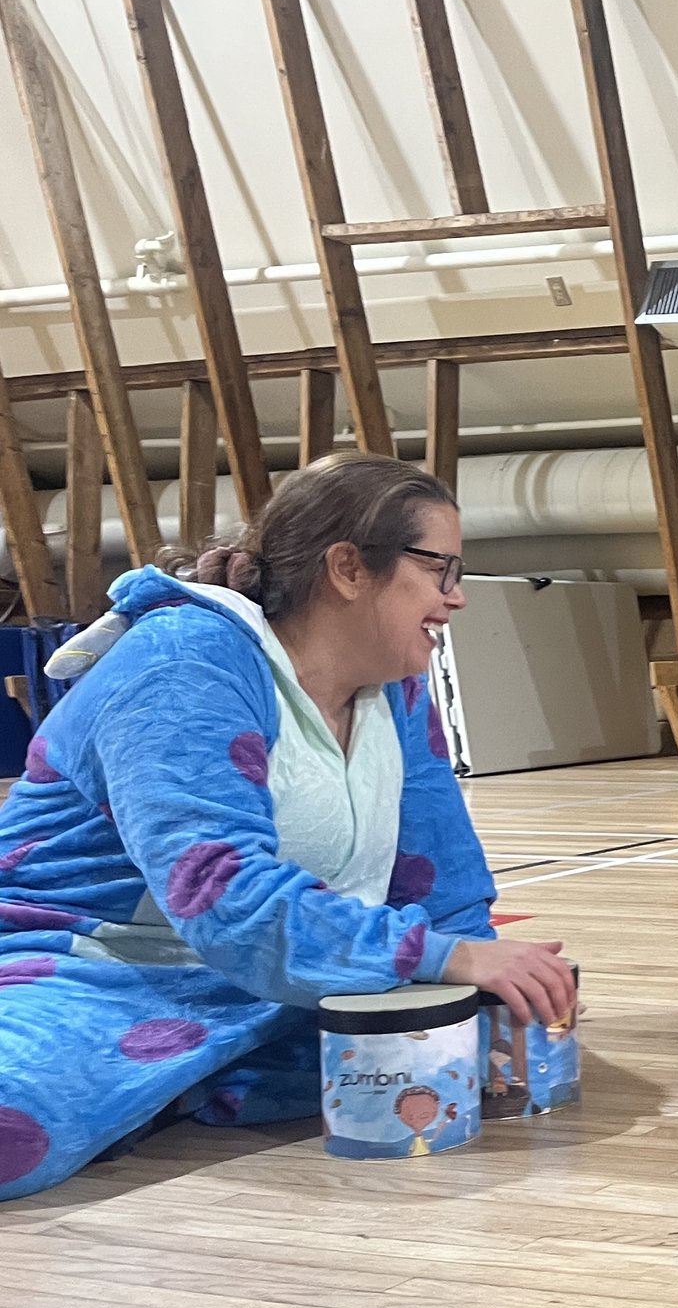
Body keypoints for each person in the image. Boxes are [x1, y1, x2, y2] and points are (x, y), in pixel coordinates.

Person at [0, 454, 578, 1203]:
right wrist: (441, 956)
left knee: (463, 1051)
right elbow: (224, 896)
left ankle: (175, 1084)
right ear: (348, 567)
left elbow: (442, 881)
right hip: (99, 971)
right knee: (14, 1137)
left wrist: (485, 987)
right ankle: (176, 1081)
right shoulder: (184, 663)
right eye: (441, 569)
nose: (456, 597)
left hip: (271, 981)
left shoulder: (396, 691)